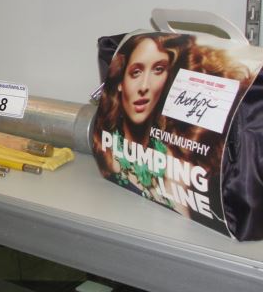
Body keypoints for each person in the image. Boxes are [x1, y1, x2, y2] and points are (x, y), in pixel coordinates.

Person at [92, 33, 251, 221]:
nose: (144, 86)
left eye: (158, 70)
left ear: (169, 81)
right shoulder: (104, 146)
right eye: (136, 72)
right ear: (120, 82)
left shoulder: (178, 166)